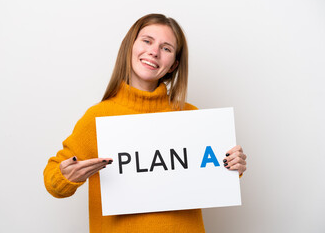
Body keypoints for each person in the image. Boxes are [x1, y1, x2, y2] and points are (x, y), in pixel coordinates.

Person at [43, 13, 247, 233]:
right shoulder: (98, 117)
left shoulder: (191, 116)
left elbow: (214, 174)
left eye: (166, 48)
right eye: (147, 41)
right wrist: (65, 176)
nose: (154, 51)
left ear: (173, 66)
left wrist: (233, 166)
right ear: (130, 47)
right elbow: (54, 180)